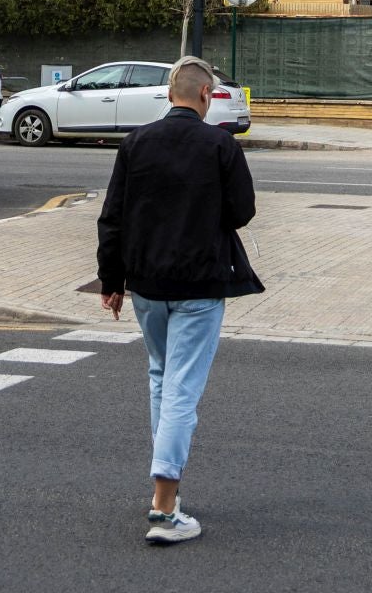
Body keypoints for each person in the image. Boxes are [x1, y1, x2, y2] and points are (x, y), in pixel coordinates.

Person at [98, 54, 263, 544]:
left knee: (161, 380)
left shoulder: (136, 143)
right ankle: (164, 507)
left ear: (169, 94)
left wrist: (111, 282)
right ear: (206, 97)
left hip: (147, 285)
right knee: (182, 391)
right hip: (200, 284)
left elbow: (112, 218)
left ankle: (165, 489)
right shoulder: (219, 145)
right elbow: (242, 211)